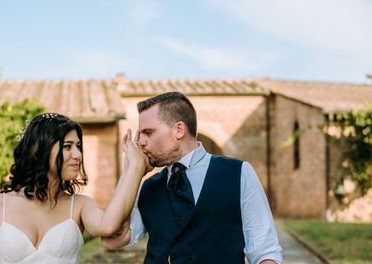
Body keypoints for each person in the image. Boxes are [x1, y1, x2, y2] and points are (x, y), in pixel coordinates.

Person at [103, 91, 283, 264]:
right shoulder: (147, 187)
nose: (140, 142)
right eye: (140, 134)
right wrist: (130, 172)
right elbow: (112, 239)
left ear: (179, 130)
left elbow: (265, 252)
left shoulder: (238, 173)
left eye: (148, 133)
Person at [0, 112, 147, 264]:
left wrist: (133, 169)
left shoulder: (81, 205)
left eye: (78, 147)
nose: (78, 155)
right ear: (40, 150)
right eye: (68, 146)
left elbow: (108, 226)